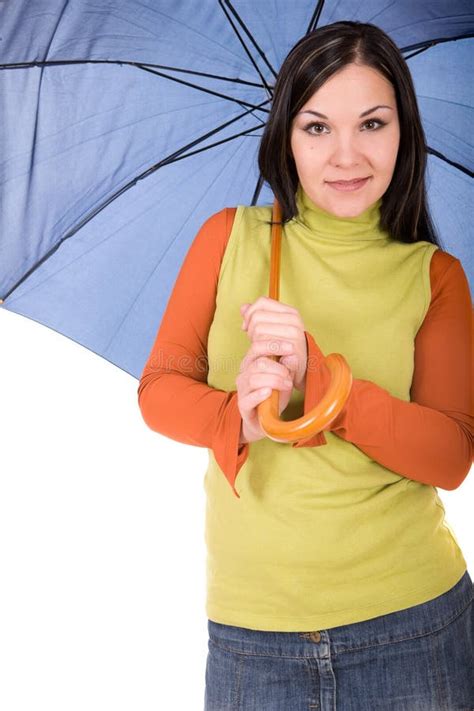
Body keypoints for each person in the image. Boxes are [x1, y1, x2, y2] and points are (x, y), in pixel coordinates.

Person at [137, 20, 473, 710]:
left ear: (404, 131)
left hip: (413, 622)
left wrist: (326, 385)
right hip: (253, 635)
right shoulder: (229, 238)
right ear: (286, 137)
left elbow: (452, 455)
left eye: (372, 123)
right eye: (317, 127)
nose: (346, 155)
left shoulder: (434, 275)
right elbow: (159, 391)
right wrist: (242, 417)